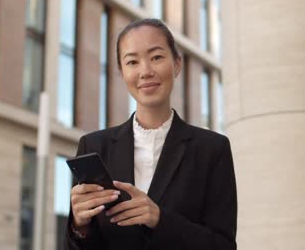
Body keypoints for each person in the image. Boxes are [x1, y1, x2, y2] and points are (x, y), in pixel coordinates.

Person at [65, 18, 237, 250]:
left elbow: (224, 246)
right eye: (132, 62)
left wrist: (159, 219)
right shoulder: (94, 146)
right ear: (121, 71)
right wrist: (79, 225)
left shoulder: (212, 149)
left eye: (156, 57)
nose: (145, 71)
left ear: (177, 64)